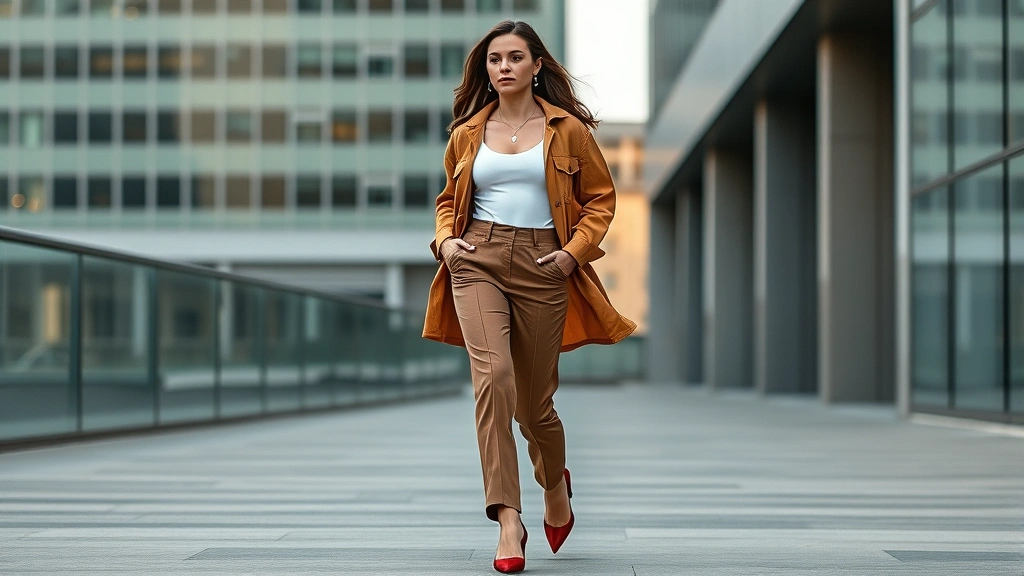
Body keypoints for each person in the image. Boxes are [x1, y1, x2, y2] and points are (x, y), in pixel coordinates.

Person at [422, 20, 636, 574]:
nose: (504, 67)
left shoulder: (568, 132)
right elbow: (449, 200)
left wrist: (573, 254)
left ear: (537, 65)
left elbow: (601, 202)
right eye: (495, 59)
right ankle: (508, 518)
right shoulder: (468, 132)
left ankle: (554, 483)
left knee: (534, 408)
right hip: (478, 260)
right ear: (486, 69)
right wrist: (446, 242)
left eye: (515, 57)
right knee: (493, 379)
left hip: (547, 264)